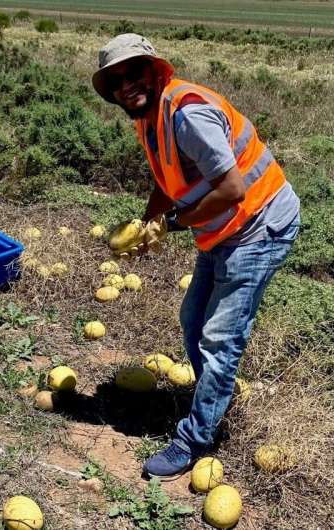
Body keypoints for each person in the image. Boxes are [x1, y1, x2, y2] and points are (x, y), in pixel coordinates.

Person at [92, 34, 301, 480]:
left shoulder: (187, 114)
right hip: (223, 230)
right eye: (116, 81)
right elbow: (169, 177)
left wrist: (171, 224)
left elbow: (232, 189)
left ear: (155, 70)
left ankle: (196, 438)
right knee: (193, 321)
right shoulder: (149, 116)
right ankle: (215, 397)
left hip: (259, 226)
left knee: (220, 339)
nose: (127, 85)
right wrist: (148, 219)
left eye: (135, 73)